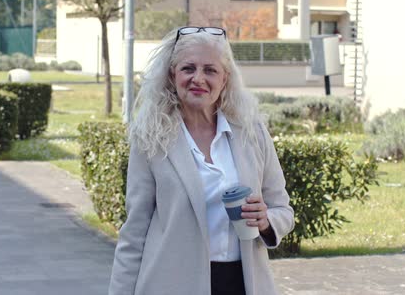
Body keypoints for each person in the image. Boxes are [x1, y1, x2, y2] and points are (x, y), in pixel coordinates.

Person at [109, 27, 294, 295]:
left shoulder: (251, 133)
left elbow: (283, 210)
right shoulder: (151, 138)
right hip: (171, 284)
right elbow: (134, 232)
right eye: (188, 69)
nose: (198, 78)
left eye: (210, 70)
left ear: (225, 78)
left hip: (243, 284)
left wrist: (266, 221)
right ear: (173, 75)